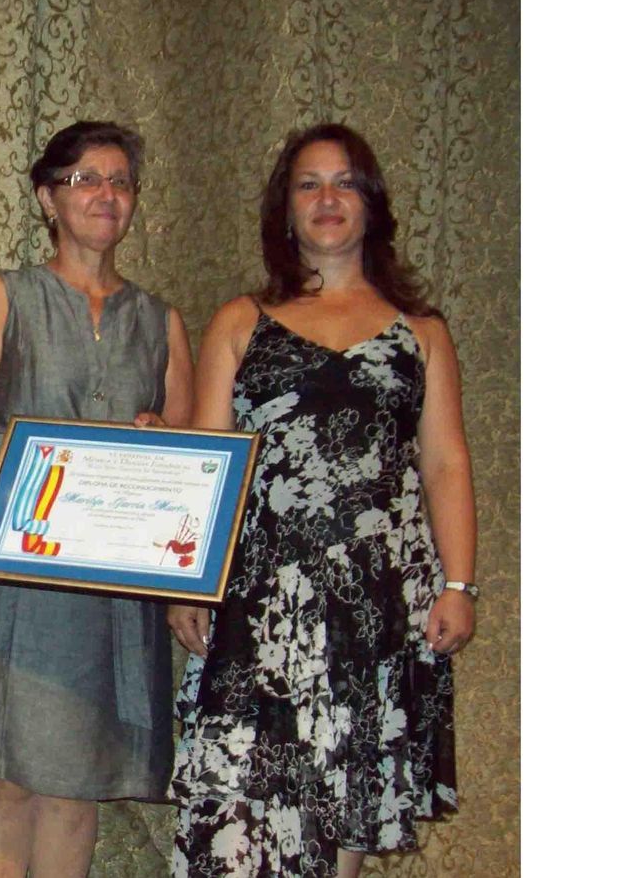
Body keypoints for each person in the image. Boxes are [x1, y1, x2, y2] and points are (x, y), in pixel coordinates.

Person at [167, 123, 477, 878]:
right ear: (286, 210)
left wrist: (460, 585)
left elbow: (445, 463)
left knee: (348, 788)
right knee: (237, 800)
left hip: (380, 594)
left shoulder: (421, 333)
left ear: (371, 204)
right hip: (260, 593)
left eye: (344, 183)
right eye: (309, 184)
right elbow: (207, 465)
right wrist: (186, 587)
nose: (328, 198)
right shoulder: (239, 321)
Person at [0, 120, 194, 877]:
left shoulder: (163, 322)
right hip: (12, 562)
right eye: (86, 179)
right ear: (48, 198)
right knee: (3, 771)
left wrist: (163, 438)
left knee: (80, 780)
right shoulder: (6, 297)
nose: (106, 195)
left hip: (113, 578)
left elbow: (195, 464)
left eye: (120, 181)